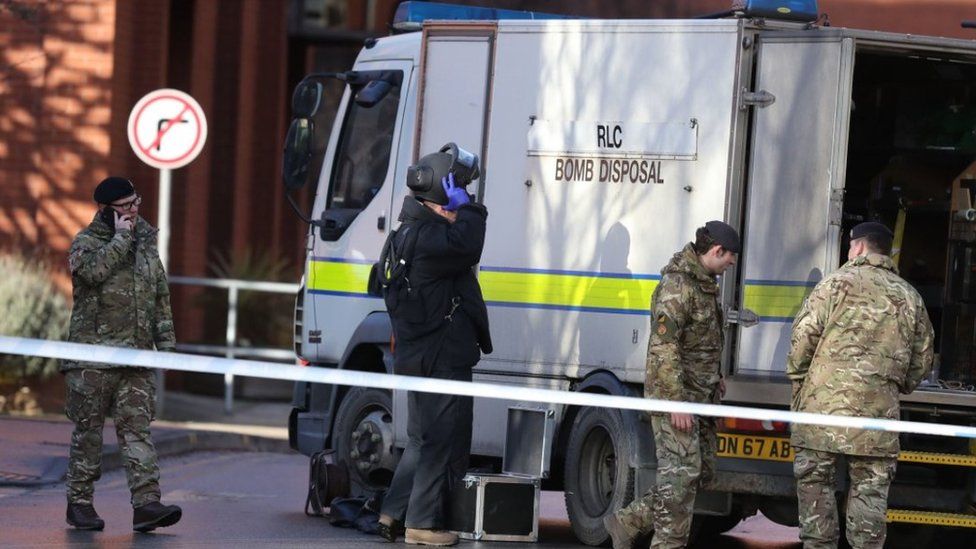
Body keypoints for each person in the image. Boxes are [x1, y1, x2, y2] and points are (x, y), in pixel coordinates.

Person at [787, 221, 934, 549]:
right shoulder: (909, 296)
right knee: (869, 495)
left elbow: (802, 341)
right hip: (876, 415)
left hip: (821, 410)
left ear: (858, 247)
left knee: (816, 489)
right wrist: (894, 387)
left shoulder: (833, 285)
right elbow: (923, 358)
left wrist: (801, 382)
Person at [376, 143, 492, 546]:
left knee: (422, 439)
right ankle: (421, 525)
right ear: (439, 200)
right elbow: (468, 246)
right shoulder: (429, 240)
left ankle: (392, 512)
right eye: (454, 197)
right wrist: (472, 210)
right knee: (440, 440)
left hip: (417, 354)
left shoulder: (403, 235)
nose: (457, 207)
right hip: (441, 356)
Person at [604, 221, 740, 549]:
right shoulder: (678, 285)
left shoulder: (705, 283)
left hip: (700, 398)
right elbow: (664, 349)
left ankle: (629, 521)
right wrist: (674, 402)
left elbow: (699, 340)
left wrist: (714, 376)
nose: (732, 264)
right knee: (680, 478)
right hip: (676, 399)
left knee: (699, 473)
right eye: (730, 257)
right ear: (716, 251)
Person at [62, 176, 182, 532]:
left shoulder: (146, 245)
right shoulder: (85, 243)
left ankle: (147, 504)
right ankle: (79, 503)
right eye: (126, 206)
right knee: (89, 434)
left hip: (137, 358)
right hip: (92, 359)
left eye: (136, 202)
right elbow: (92, 273)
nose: (134, 211)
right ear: (106, 211)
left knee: (137, 432)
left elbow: (160, 297)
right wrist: (120, 239)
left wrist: (168, 348)